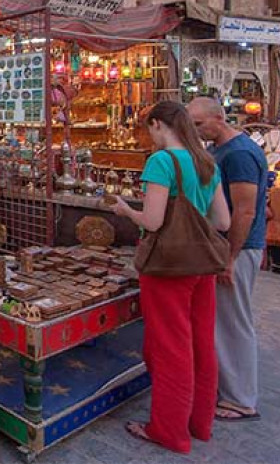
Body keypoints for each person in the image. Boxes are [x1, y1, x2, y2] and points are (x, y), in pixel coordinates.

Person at [109, 100, 231, 454]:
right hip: (202, 267)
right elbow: (222, 222)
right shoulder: (206, 162)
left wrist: (125, 211)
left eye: (150, 129)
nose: (150, 136)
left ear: (160, 124)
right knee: (201, 344)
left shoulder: (161, 162)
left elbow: (153, 221)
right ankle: (199, 424)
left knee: (170, 348)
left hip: (168, 269)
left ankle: (169, 431)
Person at [188, 96, 267, 423]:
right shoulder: (224, 149)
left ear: (219, 118)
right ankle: (230, 390)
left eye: (199, 124)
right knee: (224, 321)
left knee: (234, 322)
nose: (196, 130)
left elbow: (245, 210)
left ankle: (240, 400)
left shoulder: (239, 154)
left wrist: (230, 257)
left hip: (238, 248)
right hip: (229, 247)